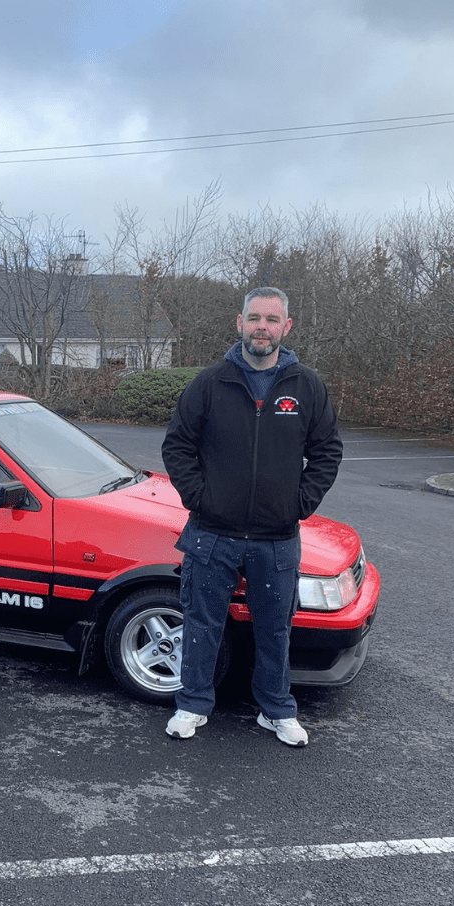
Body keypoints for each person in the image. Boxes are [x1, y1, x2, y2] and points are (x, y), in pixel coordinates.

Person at [160, 286, 343, 747]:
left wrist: (298, 504)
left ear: (286, 327)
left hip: (276, 538)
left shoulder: (306, 387)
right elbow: (177, 445)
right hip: (211, 533)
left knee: (274, 627)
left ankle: (276, 709)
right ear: (239, 323)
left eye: (272, 319)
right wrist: (200, 498)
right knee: (202, 622)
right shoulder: (210, 383)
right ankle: (192, 704)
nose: (263, 327)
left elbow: (327, 452)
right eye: (255, 318)